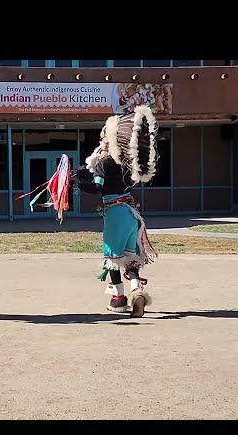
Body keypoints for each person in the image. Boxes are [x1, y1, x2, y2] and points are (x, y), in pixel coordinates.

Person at [76, 105, 159, 317]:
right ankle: (137, 292)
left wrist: (78, 183)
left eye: (103, 138)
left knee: (112, 258)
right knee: (130, 258)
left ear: (109, 140)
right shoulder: (126, 165)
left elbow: (97, 188)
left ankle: (118, 300)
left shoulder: (104, 163)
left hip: (115, 214)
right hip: (131, 215)